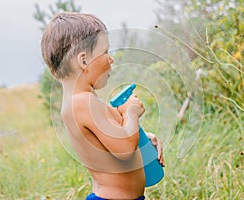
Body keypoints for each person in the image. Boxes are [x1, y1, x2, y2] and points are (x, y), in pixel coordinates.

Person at [41, 12, 165, 200]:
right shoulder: (84, 102)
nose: (111, 59)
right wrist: (131, 114)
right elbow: (124, 150)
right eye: (105, 52)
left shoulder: (78, 102)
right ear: (84, 61)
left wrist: (144, 139)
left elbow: (110, 144)